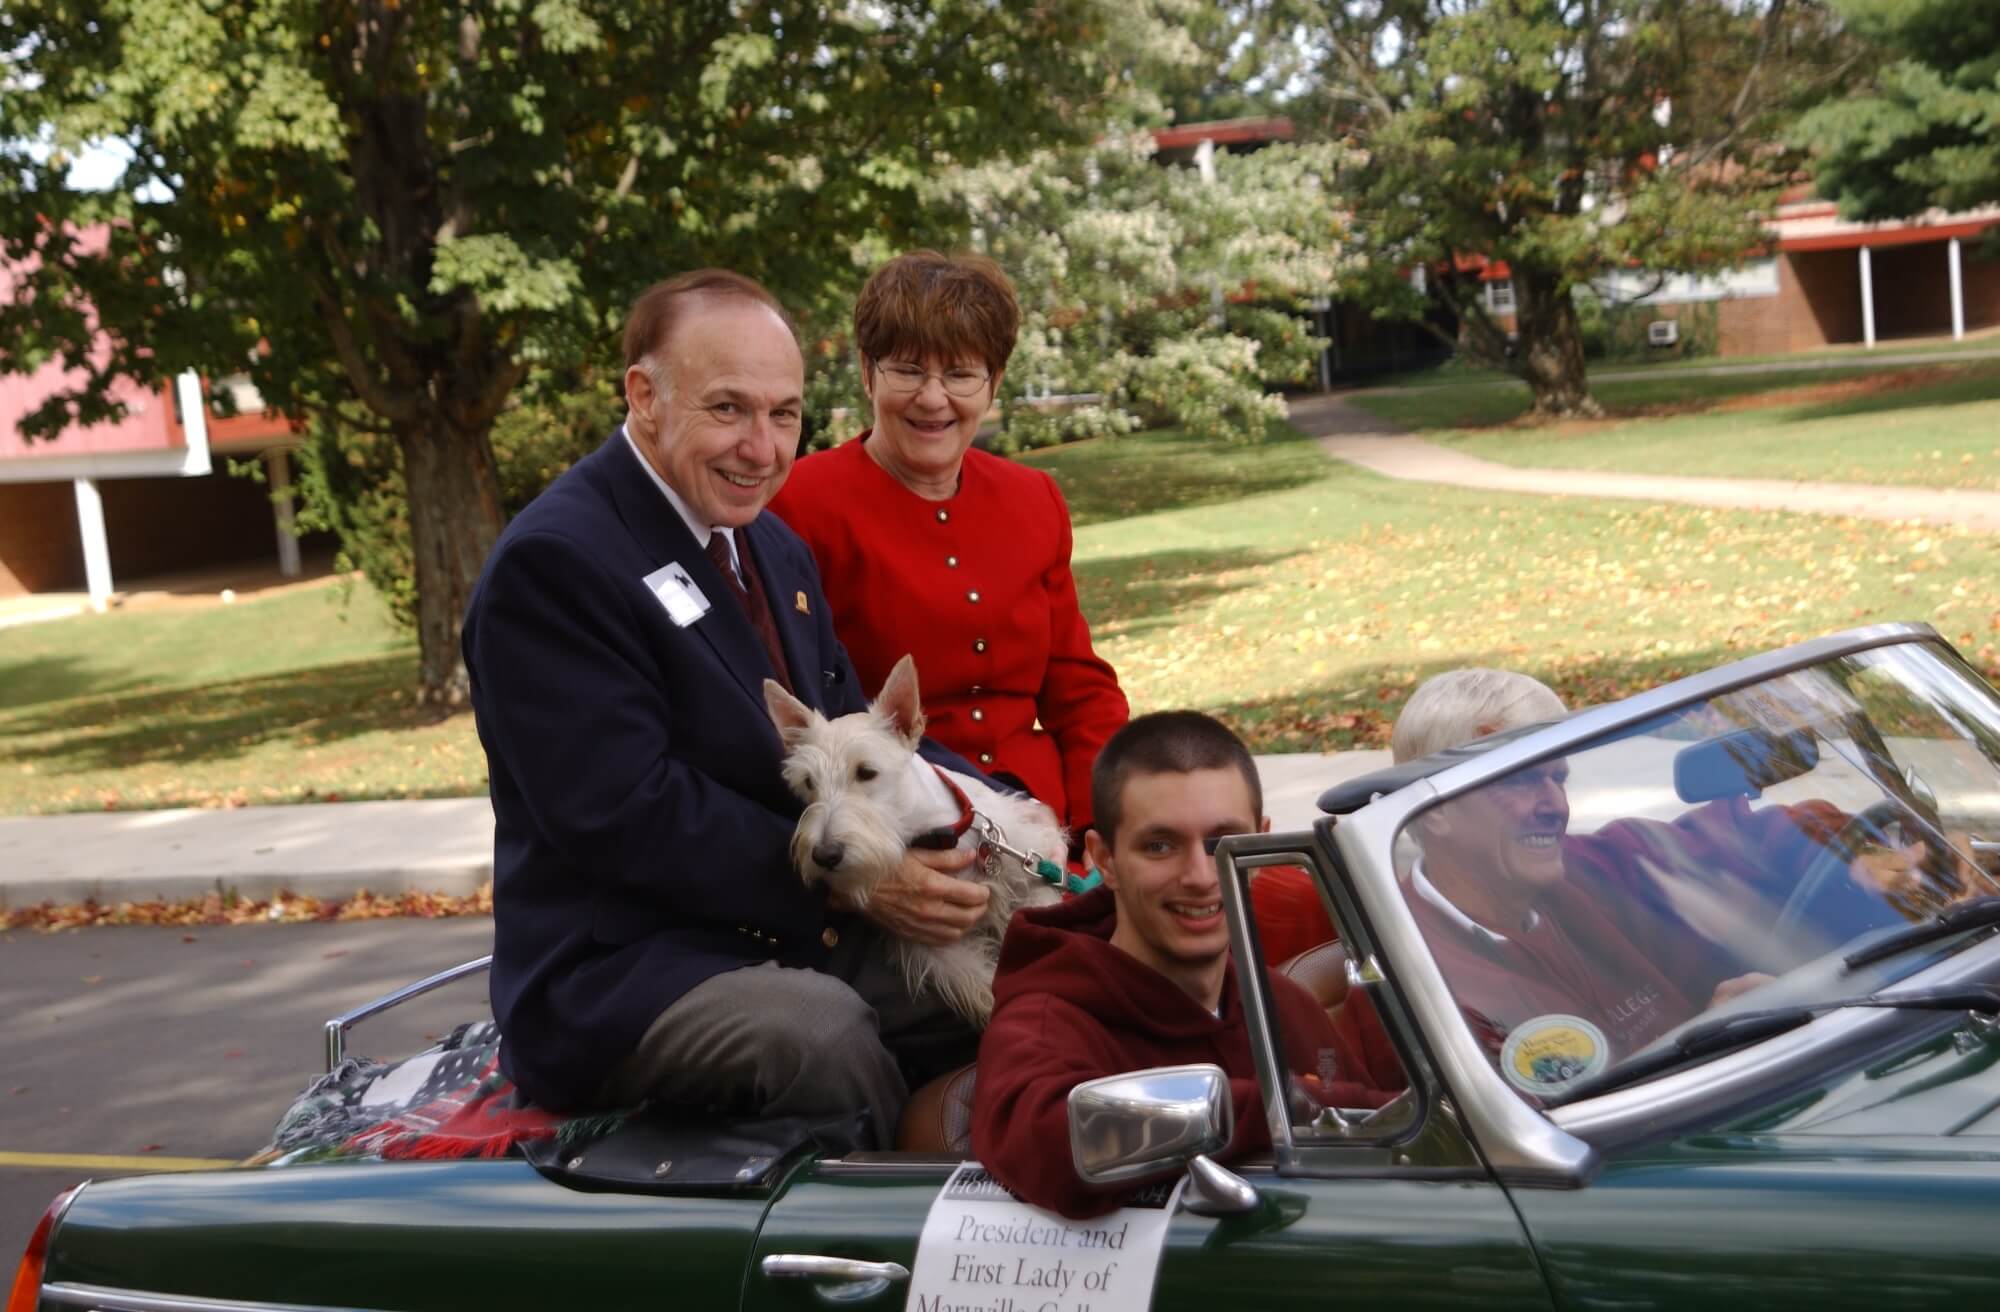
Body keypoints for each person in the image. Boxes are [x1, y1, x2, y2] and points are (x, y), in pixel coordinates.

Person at [462, 270, 991, 1142]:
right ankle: (887, 1218)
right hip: (624, 973)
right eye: (728, 409)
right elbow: (624, 812)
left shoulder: (768, 544)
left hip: (773, 930)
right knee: (820, 1036)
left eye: (784, 415)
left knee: (1033, 971)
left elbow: (852, 729)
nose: (762, 447)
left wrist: (1010, 816)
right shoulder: (556, 563)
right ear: (645, 397)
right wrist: (854, 887)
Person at [971, 712, 1400, 1218]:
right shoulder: (1046, 1020)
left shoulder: (1282, 1003)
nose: (1199, 875)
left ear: (1260, 844)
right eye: (1160, 846)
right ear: (1104, 860)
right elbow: (1054, 1140)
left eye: (1222, 843)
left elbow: (1393, 1141)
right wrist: (1291, 1105)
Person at [770, 251, 1127, 841]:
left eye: (961, 374)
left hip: (1047, 823)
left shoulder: (1034, 497)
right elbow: (796, 713)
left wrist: (1104, 826)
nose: (933, 398)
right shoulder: (798, 504)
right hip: (900, 834)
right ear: (867, 373)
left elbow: (1081, 693)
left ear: (994, 383)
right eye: (908, 370)